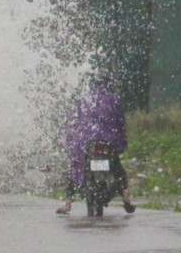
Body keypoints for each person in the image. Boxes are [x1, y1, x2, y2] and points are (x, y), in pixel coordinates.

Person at [57, 78, 134, 215]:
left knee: (76, 167)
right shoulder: (114, 100)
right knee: (118, 171)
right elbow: (121, 123)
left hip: (86, 143)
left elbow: (72, 121)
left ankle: (68, 203)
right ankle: (126, 198)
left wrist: (70, 140)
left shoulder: (83, 100)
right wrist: (121, 141)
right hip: (108, 143)